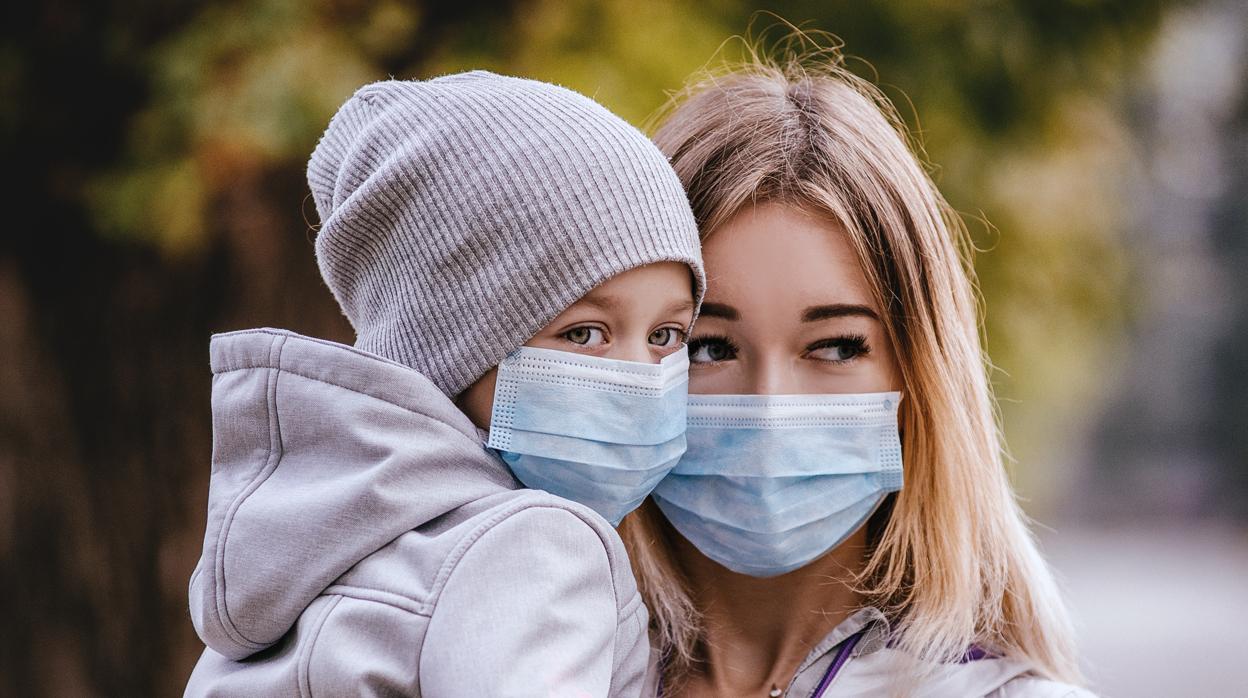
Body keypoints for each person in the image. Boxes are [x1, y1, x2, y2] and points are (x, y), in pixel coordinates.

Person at [184, 71, 704, 696]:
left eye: (667, 336)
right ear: (449, 340)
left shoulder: (305, 546)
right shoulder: (535, 547)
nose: (639, 382)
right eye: (585, 333)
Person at [616, 46, 1096, 697]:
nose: (769, 405)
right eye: (707, 346)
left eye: (837, 346)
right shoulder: (507, 665)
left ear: (919, 377)